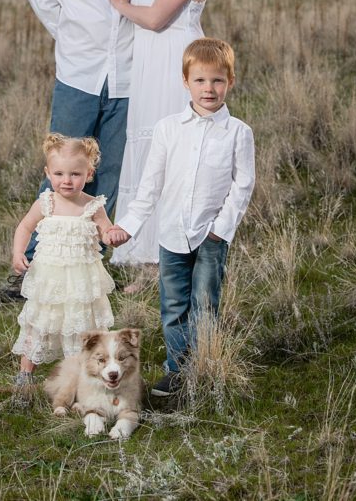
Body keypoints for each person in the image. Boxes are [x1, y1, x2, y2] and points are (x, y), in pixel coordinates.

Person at [0, 0, 151, 303]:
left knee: (107, 175)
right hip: (79, 74)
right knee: (62, 173)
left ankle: (89, 268)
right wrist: (72, 38)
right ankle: (32, 269)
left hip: (126, 78)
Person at [105, 38, 255, 397]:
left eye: (218, 80)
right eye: (200, 80)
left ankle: (206, 367)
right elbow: (150, 187)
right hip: (170, 232)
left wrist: (220, 231)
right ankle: (177, 369)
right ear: (185, 81)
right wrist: (128, 225)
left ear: (230, 82)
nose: (209, 88)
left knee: (204, 302)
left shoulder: (238, 133)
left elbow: (243, 186)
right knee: (173, 305)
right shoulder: (168, 129)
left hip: (211, 235)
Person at [100, 0, 208, 293]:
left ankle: (172, 258)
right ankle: (146, 258)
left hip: (173, 67)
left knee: (171, 158)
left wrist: (120, 3)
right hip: (149, 69)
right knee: (148, 156)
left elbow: (158, 19)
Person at [10, 134, 116, 387]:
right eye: (59, 174)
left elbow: (107, 232)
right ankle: (26, 373)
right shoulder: (46, 203)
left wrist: (114, 236)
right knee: (40, 321)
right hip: (50, 278)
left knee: (81, 324)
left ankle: (82, 375)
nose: (66, 181)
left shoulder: (93, 206)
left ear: (89, 173)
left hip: (81, 281)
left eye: (75, 174)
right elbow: (24, 227)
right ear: (48, 173)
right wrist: (18, 253)